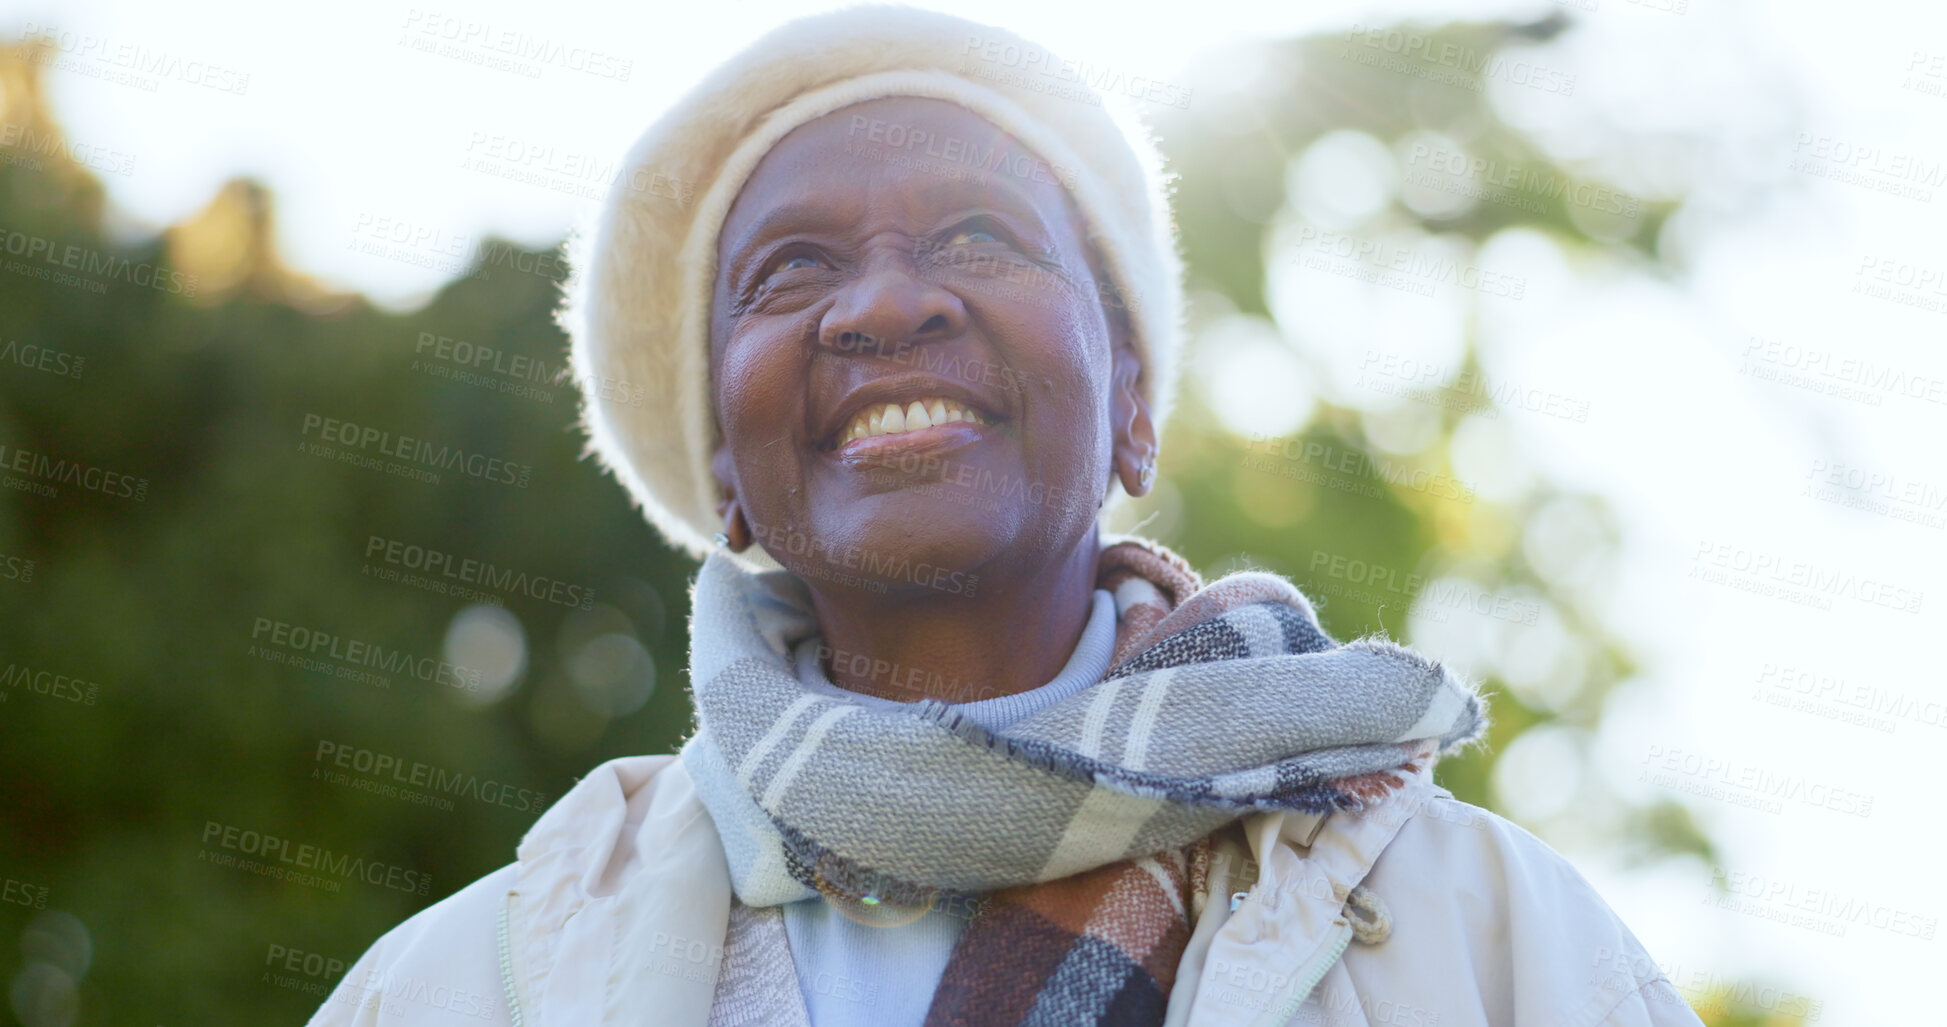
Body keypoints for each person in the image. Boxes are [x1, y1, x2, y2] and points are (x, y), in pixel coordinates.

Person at [309, 7, 1701, 1026]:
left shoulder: (1502, 947)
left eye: (978, 236)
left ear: (1133, 400)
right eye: (791, 269)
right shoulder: (457, 987)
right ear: (721, 469)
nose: (886, 302)